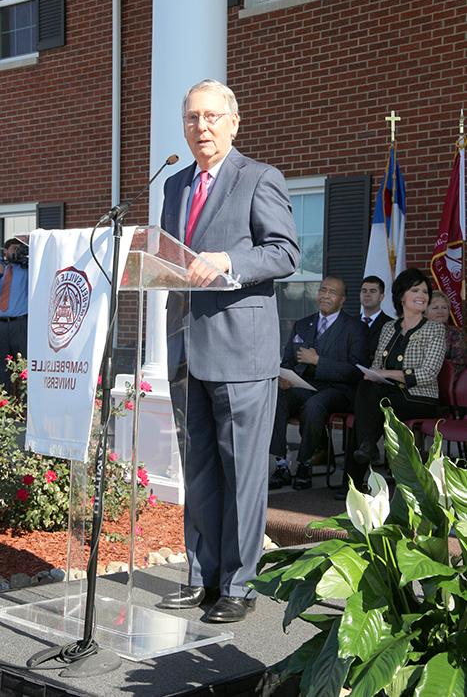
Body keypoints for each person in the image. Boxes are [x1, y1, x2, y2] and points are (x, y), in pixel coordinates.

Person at [158, 79, 300, 623]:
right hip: (187, 352)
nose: (202, 127)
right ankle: (201, 576)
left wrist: (229, 262)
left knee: (242, 473)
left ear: (234, 122)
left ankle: (238, 585)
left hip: (242, 353)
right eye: (193, 118)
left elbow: (284, 252)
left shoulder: (260, 178)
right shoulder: (174, 185)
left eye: (213, 117)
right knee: (198, 473)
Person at [348, 268, 445, 492]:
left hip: (420, 398)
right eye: (415, 290)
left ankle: (356, 473)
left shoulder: (434, 329)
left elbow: (428, 373)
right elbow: (376, 367)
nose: (423, 295)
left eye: (425, 291)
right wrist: (373, 374)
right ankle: (365, 452)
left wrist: (388, 375)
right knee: (367, 389)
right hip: (388, 393)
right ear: (401, 296)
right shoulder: (388, 327)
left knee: (372, 404)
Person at [269, 276, 369, 490]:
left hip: (339, 391)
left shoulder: (355, 328)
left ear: (342, 300)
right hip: (303, 386)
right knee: (275, 397)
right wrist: (284, 377)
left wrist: (318, 361)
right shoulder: (303, 324)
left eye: (332, 292)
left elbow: (356, 371)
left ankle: (305, 464)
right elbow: (287, 360)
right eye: (322, 290)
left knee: (315, 406)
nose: (325, 295)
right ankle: (281, 464)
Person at [0, 238, 28, 393]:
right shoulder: (2, 270)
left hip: (20, 324)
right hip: (2, 325)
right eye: (14, 249)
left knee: (23, 364)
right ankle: (5, 405)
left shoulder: (25, 270)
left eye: (20, 249)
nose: (17, 252)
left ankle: (24, 407)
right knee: (2, 367)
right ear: (5, 251)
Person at [425, 290, 467, 380]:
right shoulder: (417, 332)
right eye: (435, 308)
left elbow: (459, 365)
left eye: (444, 308)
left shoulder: (456, 333)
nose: (440, 311)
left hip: (446, 383)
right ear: (425, 312)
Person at [360, 275, 392, 361]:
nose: (367, 294)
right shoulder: (350, 323)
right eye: (364, 291)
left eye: (372, 291)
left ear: (381, 297)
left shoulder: (391, 325)